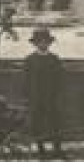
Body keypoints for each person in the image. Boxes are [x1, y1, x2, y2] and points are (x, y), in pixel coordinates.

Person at [24, 26, 65, 159]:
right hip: (36, 98)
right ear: (35, 43)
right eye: (40, 41)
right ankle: (41, 150)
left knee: (55, 122)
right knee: (38, 123)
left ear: (49, 43)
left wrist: (59, 95)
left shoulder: (54, 59)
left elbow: (60, 79)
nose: (43, 44)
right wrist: (29, 96)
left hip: (52, 97)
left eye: (45, 41)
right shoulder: (29, 60)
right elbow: (25, 80)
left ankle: (57, 149)